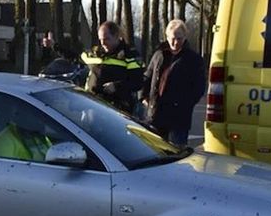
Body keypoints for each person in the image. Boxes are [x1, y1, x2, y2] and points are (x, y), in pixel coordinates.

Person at [141, 19, 206, 148]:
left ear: (185, 37)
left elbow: (199, 87)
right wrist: (144, 97)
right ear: (166, 36)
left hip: (179, 116)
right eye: (172, 38)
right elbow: (147, 76)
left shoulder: (193, 59)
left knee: (178, 151)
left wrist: (186, 104)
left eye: (179, 38)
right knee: (155, 151)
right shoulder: (158, 54)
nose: (175, 42)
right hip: (156, 113)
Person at [81, 20, 143, 113]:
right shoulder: (97, 53)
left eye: (106, 39)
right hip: (92, 106)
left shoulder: (130, 54)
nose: (102, 43)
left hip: (116, 110)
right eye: (100, 39)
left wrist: (116, 86)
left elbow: (137, 82)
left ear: (116, 36)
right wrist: (55, 46)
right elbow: (76, 57)